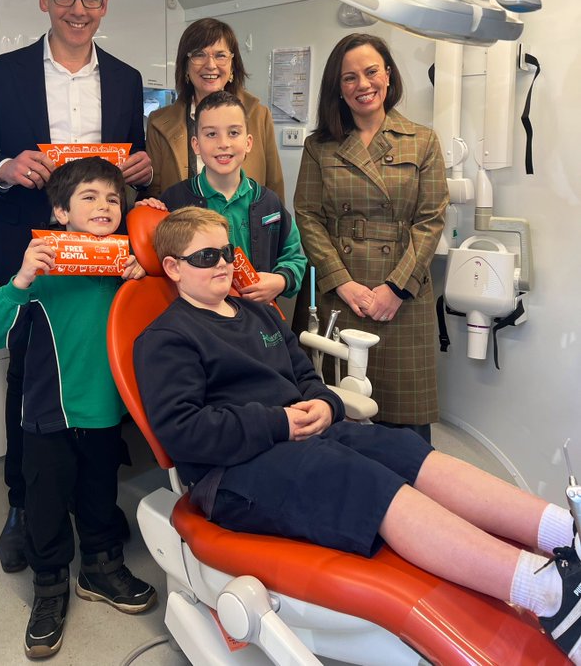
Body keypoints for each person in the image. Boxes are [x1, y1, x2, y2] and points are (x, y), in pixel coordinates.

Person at [134, 207, 581, 665]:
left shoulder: (259, 314)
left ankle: (567, 531)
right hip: (232, 472)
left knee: (403, 449)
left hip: (300, 435)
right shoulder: (166, 338)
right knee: (354, 476)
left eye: (227, 252)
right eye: (206, 256)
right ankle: (547, 591)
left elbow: (306, 377)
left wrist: (325, 406)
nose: (223, 264)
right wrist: (278, 423)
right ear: (173, 267)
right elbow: (183, 432)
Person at [0, 0, 151, 573]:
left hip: (102, 261)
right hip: (29, 252)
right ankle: (24, 503)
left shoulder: (125, 79)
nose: (77, 8)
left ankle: (91, 505)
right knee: (28, 381)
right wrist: (5, 168)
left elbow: (133, 163)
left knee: (98, 370)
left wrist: (141, 169)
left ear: (104, 4)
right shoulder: (2, 72)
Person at [0, 158, 155, 660]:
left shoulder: (126, 268)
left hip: (103, 413)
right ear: (60, 212)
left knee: (100, 496)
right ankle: (50, 587)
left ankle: (100, 569)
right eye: (89, 197)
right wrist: (21, 279)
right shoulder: (44, 270)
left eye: (113, 199)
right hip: (47, 415)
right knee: (46, 505)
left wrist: (143, 277)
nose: (104, 206)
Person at [293, 33, 448, 442]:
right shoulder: (319, 147)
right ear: (338, 88)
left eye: (371, 71)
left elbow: (430, 220)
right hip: (338, 291)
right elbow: (307, 216)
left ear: (388, 75)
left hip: (403, 294)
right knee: (334, 412)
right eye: (349, 77)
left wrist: (395, 288)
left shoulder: (423, 140)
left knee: (405, 421)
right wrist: (343, 283)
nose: (362, 84)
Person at [139, 90, 305, 304]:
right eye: (211, 134)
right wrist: (147, 213)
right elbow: (156, 264)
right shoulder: (174, 201)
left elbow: (294, 257)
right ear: (196, 145)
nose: (223, 143)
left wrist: (281, 280)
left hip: (257, 315)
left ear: (249, 142)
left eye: (233, 132)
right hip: (197, 316)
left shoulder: (269, 203)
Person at [145, 17, 284, 200]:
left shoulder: (259, 115)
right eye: (199, 55)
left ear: (232, 65)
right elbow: (154, 195)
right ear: (186, 66)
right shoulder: (158, 123)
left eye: (220, 55)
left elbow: (274, 188)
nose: (210, 65)